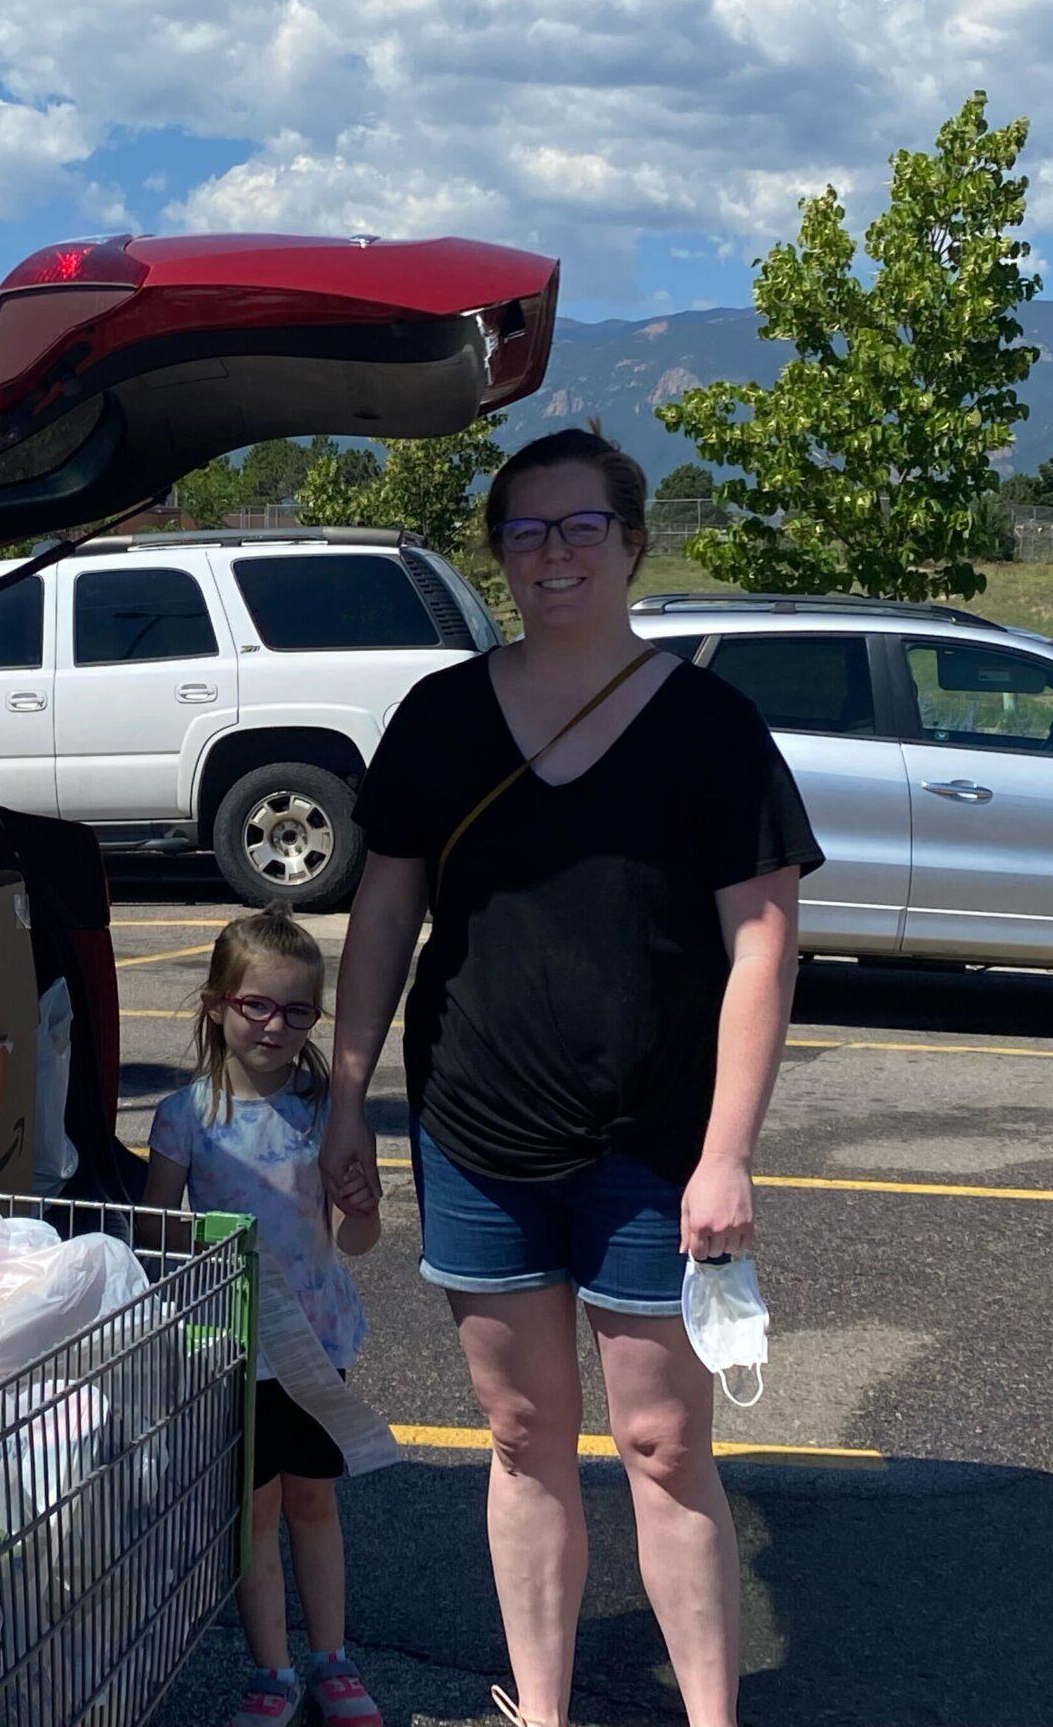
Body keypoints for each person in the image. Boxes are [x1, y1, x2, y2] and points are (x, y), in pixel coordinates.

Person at [319, 429, 820, 1727]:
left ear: (634, 540)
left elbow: (763, 939)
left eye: (581, 526)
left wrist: (728, 1153)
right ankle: (539, 1710)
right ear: (499, 554)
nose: (554, 554)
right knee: (525, 1440)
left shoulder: (710, 726)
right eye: (527, 532)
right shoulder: (441, 717)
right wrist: (346, 1098)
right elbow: (384, 916)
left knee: (664, 1446)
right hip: (477, 1129)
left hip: (659, 1150)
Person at [143, 905, 385, 1727]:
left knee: (314, 1501)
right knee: (257, 1510)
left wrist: (361, 1207)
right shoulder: (183, 1116)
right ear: (216, 1004)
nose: (276, 1026)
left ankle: (332, 1659)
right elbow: (158, 1237)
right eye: (257, 1005)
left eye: (297, 1010)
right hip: (231, 1349)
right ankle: (273, 1670)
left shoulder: (327, 1111)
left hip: (313, 1343)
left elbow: (358, 1238)